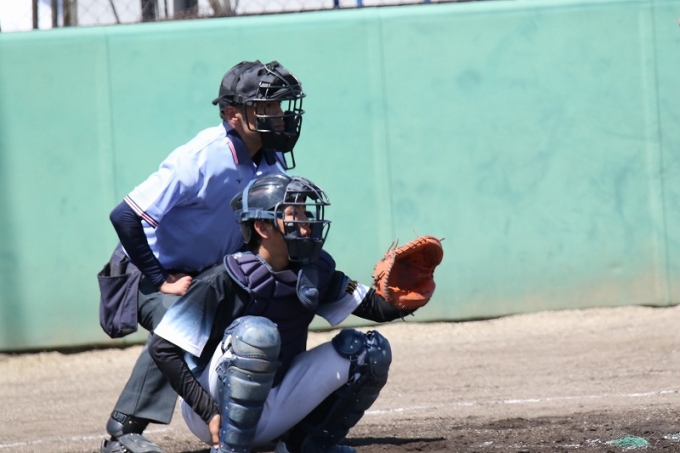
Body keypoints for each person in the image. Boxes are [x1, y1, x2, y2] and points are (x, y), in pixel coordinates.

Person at [98, 60, 305, 453]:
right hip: (145, 269)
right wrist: (161, 280)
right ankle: (123, 430)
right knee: (180, 319)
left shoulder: (272, 162)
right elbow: (124, 216)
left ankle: (263, 419)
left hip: (207, 271)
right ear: (232, 114)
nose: (278, 115)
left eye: (280, 105)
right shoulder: (201, 157)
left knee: (274, 302)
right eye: (266, 106)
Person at [148, 174, 422, 453]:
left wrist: (410, 294)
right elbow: (162, 349)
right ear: (262, 227)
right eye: (293, 214)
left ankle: (305, 446)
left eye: (304, 212)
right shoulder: (223, 279)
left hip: (276, 404)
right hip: (214, 412)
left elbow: (374, 306)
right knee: (256, 334)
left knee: (370, 352)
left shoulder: (315, 271)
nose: (305, 222)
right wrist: (208, 411)